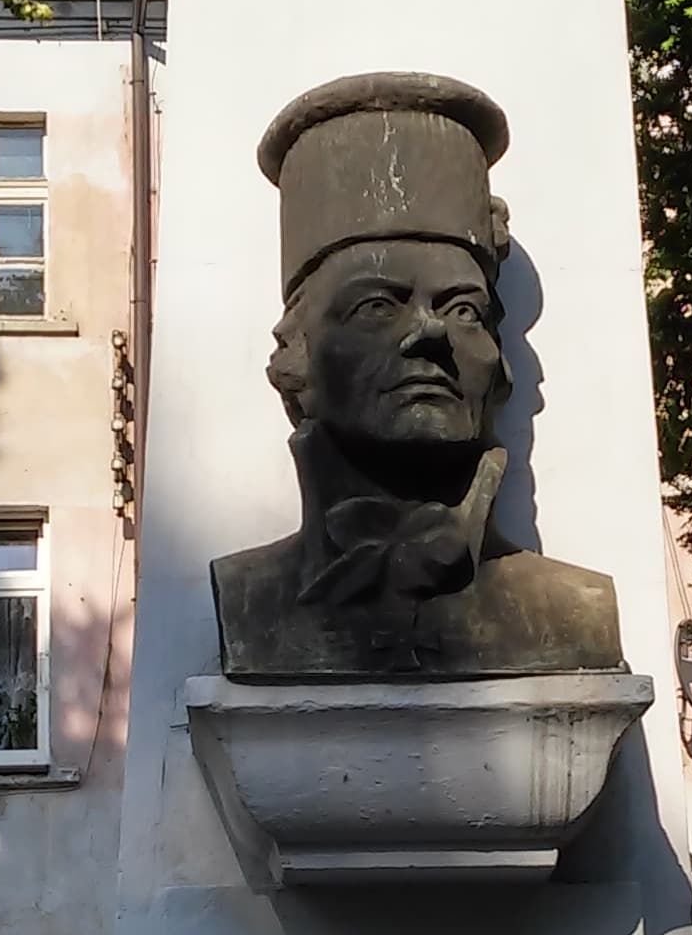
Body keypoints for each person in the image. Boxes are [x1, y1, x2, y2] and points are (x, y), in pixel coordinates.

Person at [212, 71, 624, 678]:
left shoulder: (575, 613)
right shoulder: (250, 600)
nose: (429, 332)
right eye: (377, 305)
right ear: (299, 356)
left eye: (463, 309)